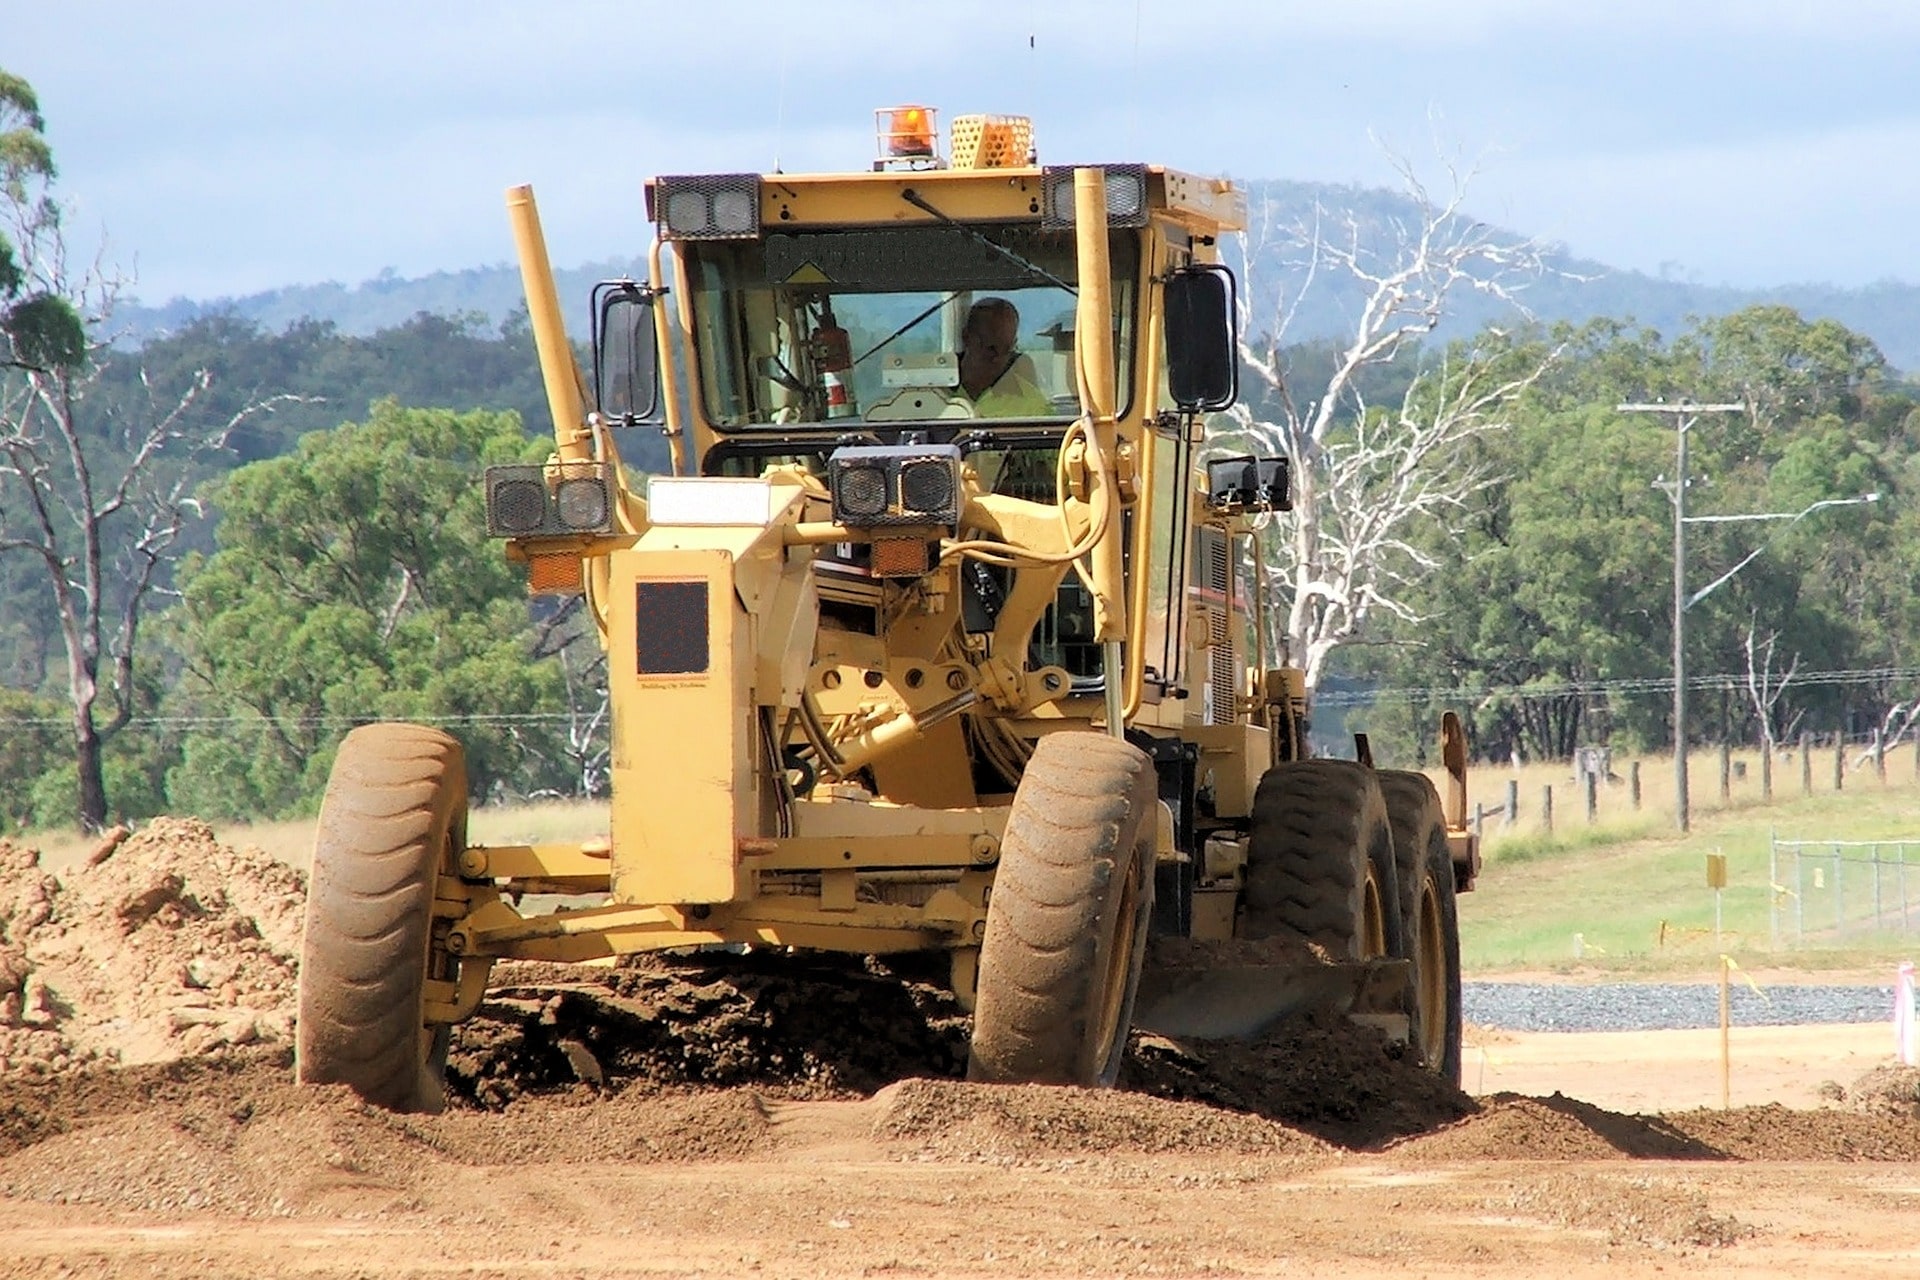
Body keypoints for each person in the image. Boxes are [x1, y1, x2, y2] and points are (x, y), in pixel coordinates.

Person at [957, 297, 1052, 418]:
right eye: (991, 348)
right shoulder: (933, 391)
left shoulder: (1033, 404)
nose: (998, 358)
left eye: (1007, 349)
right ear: (966, 338)